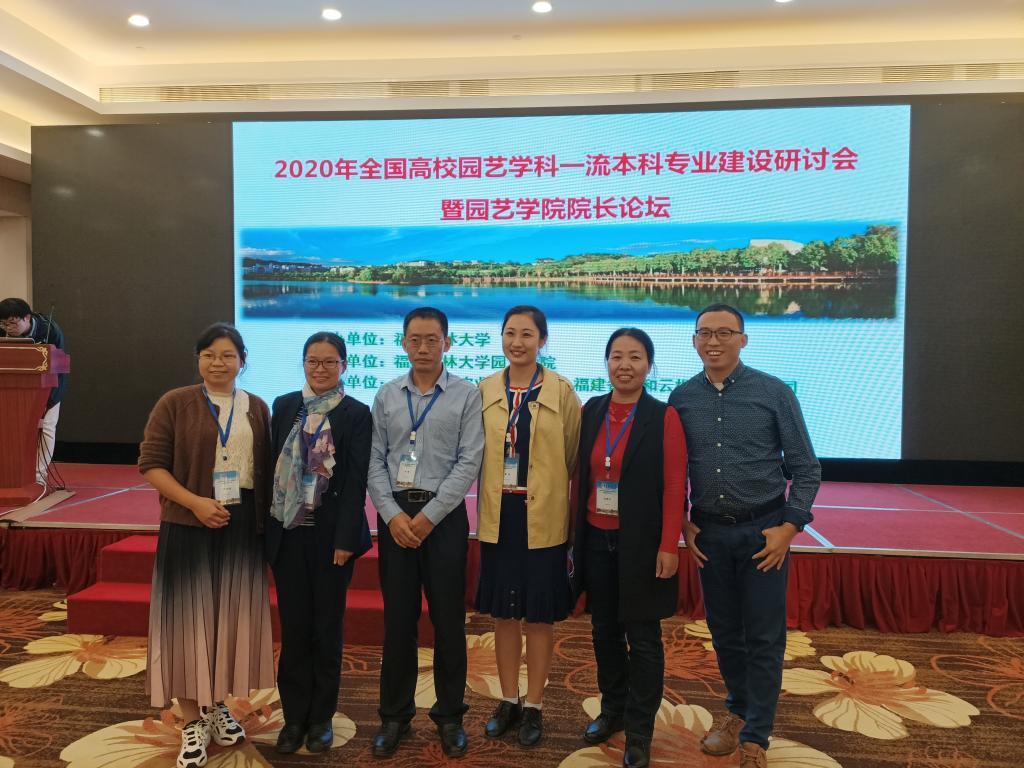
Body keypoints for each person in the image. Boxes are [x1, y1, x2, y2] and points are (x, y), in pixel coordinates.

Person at [668, 304, 820, 768]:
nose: (713, 342)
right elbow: (673, 470)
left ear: (743, 339)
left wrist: (789, 528)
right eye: (705, 333)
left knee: (765, 637)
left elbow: (806, 468)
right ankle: (737, 710)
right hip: (709, 535)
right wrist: (682, 520)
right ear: (694, 340)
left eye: (724, 333)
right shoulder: (681, 398)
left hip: (763, 533)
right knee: (724, 633)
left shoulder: (773, 393)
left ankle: (756, 736)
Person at [138, 323, 275, 768]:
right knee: (185, 623)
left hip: (242, 527)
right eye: (209, 355)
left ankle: (216, 705)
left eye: (228, 355)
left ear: (242, 361)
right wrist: (195, 503)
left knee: (224, 621)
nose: (219, 363)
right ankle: (192, 720)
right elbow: (151, 465)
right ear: (198, 359)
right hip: (189, 523)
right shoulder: (175, 402)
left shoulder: (257, 407)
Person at [367, 307, 484, 758]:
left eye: (432, 339)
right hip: (396, 517)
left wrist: (431, 515)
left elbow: (469, 461)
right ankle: (394, 716)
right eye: (414, 339)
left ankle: (450, 715)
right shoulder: (386, 395)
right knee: (398, 621)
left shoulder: (466, 395)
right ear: (403, 343)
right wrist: (392, 515)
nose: (422, 348)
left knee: (448, 621)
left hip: (445, 518)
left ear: (447, 344)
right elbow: (375, 460)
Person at [570, 328, 686, 768]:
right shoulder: (592, 410)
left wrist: (669, 544)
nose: (625, 365)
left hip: (641, 543)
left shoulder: (663, 416)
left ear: (649, 365)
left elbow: (675, 486)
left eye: (635, 357)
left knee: (643, 637)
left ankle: (640, 730)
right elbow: (580, 475)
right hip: (595, 538)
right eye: (616, 356)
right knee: (603, 631)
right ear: (606, 363)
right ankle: (612, 709)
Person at [475, 306, 581, 747]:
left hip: (543, 517)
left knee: (538, 616)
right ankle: (508, 699)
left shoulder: (561, 391)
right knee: (504, 615)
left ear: (542, 340)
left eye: (527, 334)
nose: (517, 342)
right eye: (510, 333)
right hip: (499, 517)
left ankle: (534, 704)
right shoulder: (484, 389)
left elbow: (571, 456)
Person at [267, 332, 373, 755]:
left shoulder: (355, 413)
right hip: (289, 534)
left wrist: (346, 538)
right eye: (313, 361)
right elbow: (271, 467)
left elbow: (356, 482)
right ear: (304, 363)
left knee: (326, 630)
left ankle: (321, 718)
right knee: (294, 630)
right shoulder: (284, 406)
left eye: (330, 362)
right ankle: (294, 718)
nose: (320, 369)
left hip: (332, 541)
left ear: (344, 366)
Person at [0, 297, 67, 486]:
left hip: (49, 386)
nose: (8, 328)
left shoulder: (50, 330)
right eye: (3, 323)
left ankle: (38, 476)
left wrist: (48, 401)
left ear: (27, 318)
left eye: (12, 323)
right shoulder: (2, 329)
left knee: (46, 427)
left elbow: (57, 365)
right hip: (10, 388)